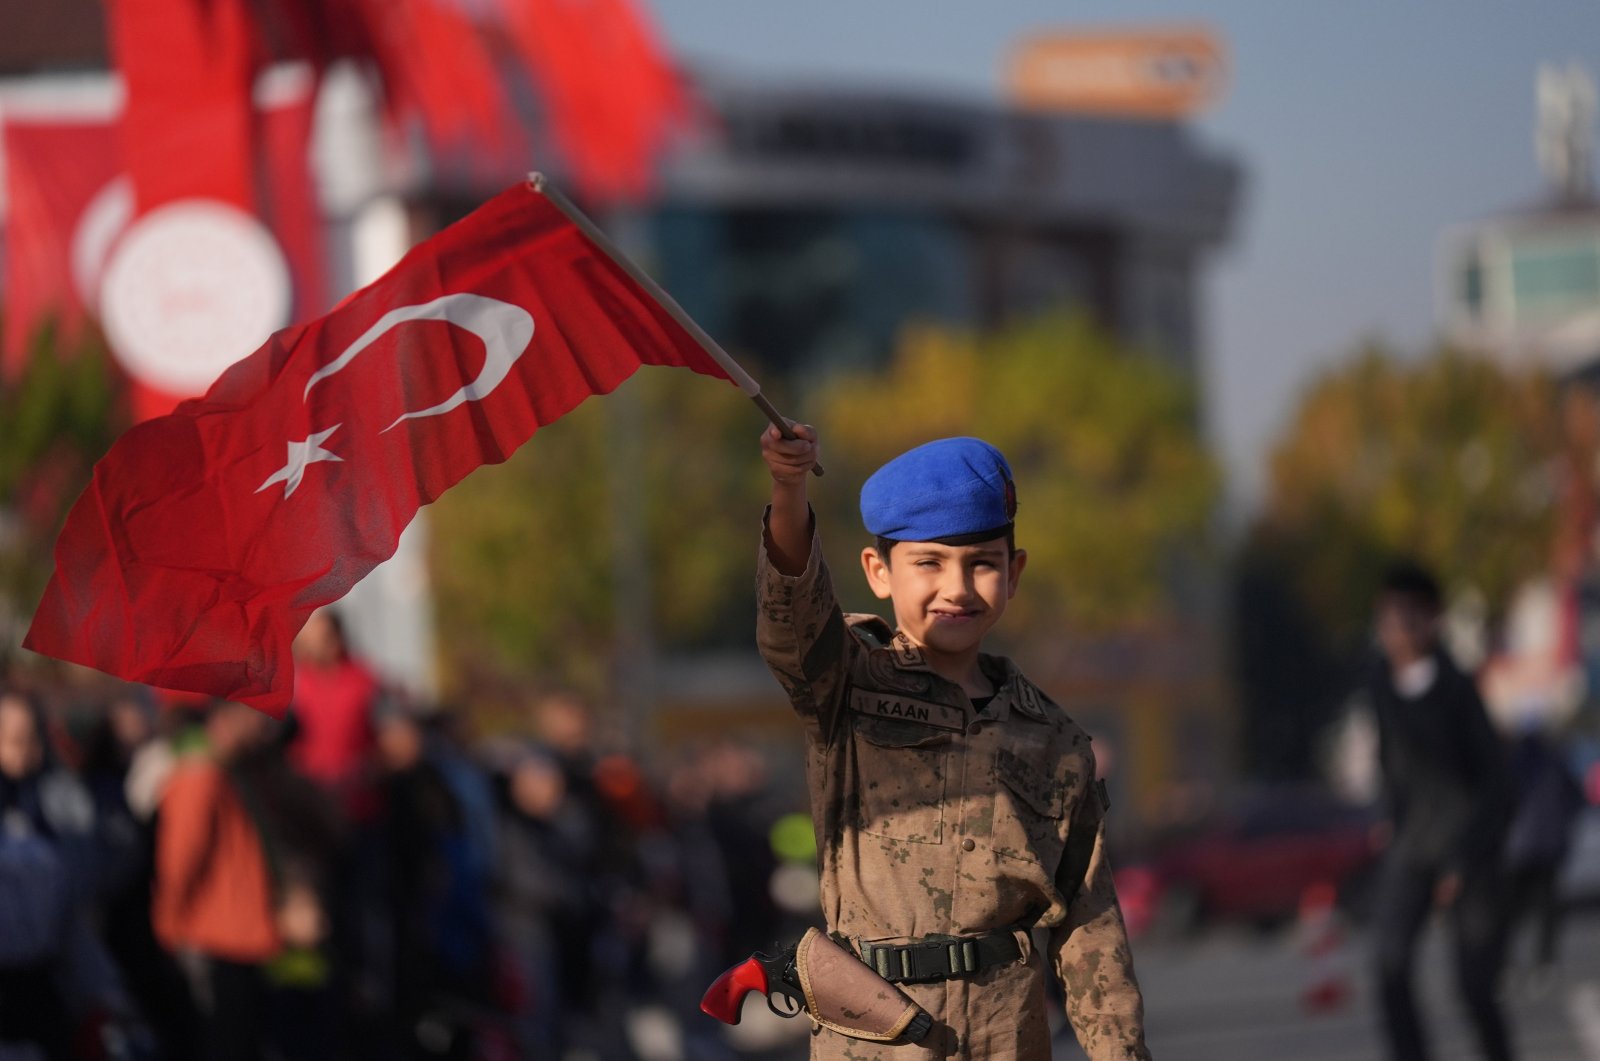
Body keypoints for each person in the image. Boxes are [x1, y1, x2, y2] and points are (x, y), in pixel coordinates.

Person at [756, 428, 1149, 1060]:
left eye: (982, 563)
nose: (957, 588)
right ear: (879, 572)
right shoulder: (844, 684)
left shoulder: (1054, 739)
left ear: (1014, 573)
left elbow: (1089, 926)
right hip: (875, 1036)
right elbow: (790, 610)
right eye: (929, 563)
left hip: (1005, 1035)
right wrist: (788, 486)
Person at [1367, 562, 1515, 1061]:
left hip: (1468, 848)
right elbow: (1392, 767)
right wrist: (1391, 822)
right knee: (1389, 966)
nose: (1396, 630)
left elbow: (1497, 784)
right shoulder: (1381, 688)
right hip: (1412, 846)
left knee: (1473, 985)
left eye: (1408, 617)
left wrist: (1464, 859)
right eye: (1388, 618)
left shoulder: (1458, 690)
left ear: (1432, 620)